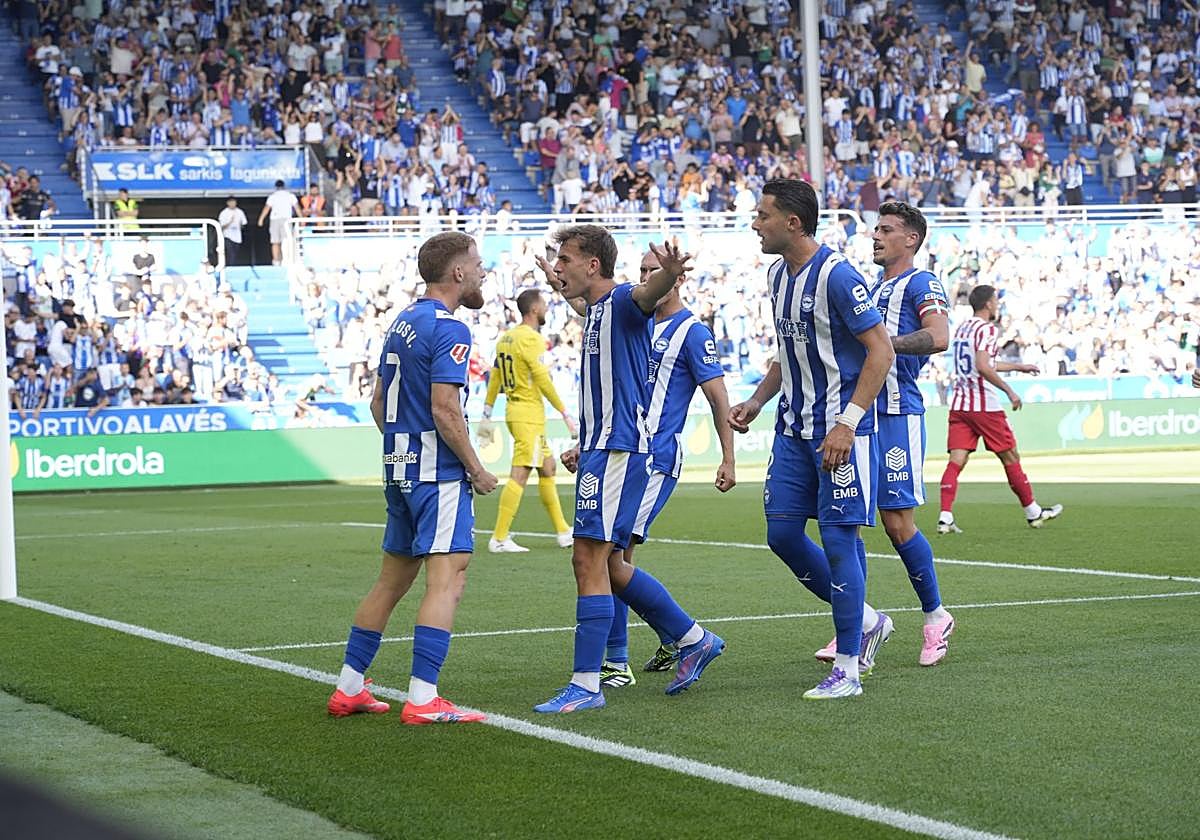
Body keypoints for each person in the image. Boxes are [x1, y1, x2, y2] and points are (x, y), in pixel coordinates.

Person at [533, 225, 724, 714]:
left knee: (590, 561)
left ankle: (589, 682)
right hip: (602, 447)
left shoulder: (622, 301)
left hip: (620, 450)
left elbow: (645, 294)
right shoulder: (596, 308)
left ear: (593, 265)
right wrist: (558, 284)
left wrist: (669, 276)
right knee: (609, 563)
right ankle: (691, 638)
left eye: (565, 262)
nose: (558, 269)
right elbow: (583, 301)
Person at [728, 179, 896, 700]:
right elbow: (789, 352)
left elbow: (881, 352)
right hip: (791, 429)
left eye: (763, 215)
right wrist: (757, 400)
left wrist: (847, 422)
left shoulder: (839, 276)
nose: (755, 224)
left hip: (838, 435)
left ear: (793, 223)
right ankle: (867, 620)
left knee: (839, 540)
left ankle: (847, 668)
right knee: (781, 536)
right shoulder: (779, 275)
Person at [326, 231, 499, 725]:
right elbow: (446, 409)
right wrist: (476, 468)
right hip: (436, 475)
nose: (484, 271)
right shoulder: (450, 329)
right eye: (479, 263)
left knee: (390, 582)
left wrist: (403, 447)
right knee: (448, 580)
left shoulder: (402, 321)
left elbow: (379, 402)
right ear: (458, 273)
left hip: (399, 469)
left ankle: (350, 688)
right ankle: (423, 699)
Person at [812, 202, 956, 667]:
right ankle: (857, 624)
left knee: (897, 522)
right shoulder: (871, 288)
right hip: (860, 415)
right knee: (847, 519)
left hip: (897, 415)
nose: (876, 236)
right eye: (876, 229)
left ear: (910, 239)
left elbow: (938, 336)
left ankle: (936, 616)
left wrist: (881, 346)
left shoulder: (922, 282)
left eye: (887, 230)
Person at [604, 248, 738, 685]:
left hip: (657, 457)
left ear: (676, 277)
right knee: (611, 554)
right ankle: (661, 639)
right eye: (641, 270)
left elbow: (718, 397)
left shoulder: (692, 332)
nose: (644, 277)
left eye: (652, 271)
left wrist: (728, 457)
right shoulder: (638, 322)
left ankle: (634, 654)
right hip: (626, 452)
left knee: (608, 556)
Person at [937, 285, 1063, 532]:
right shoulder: (986, 329)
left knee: (956, 460)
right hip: (984, 405)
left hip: (960, 404)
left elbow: (984, 362)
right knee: (1011, 456)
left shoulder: (963, 327)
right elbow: (983, 366)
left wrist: (1019, 367)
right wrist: (1009, 390)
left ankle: (945, 518)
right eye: (995, 300)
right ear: (988, 304)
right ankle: (1033, 512)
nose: (997, 305)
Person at [476, 288, 578, 553]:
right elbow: (541, 378)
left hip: (516, 410)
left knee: (547, 468)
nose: (546, 309)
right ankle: (499, 538)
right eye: (543, 305)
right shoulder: (531, 340)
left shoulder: (506, 339)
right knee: (520, 473)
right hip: (528, 415)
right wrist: (565, 413)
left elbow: (496, 376)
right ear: (534, 309)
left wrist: (487, 410)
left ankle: (563, 532)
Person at [256, 180, 299, 265]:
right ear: (284, 186)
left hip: (275, 220)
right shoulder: (290, 196)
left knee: (275, 242)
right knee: (286, 241)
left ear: (276, 187)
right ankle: (286, 260)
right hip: (287, 220)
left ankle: (276, 261)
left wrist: (261, 219)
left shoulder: (272, 196)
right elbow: (297, 208)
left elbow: (266, 208)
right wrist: (301, 219)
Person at [218, 197, 248, 267]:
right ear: (227, 203)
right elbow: (221, 226)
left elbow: (244, 223)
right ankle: (230, 267)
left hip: (237, 237)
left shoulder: (240, 212)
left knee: (236, 253)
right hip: (227, 236)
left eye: (234, 202)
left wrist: (240, 226)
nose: (233, 204)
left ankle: (234, 266)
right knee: (230, 253)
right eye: (231, 202)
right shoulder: (224, 213)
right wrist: (230, 222)